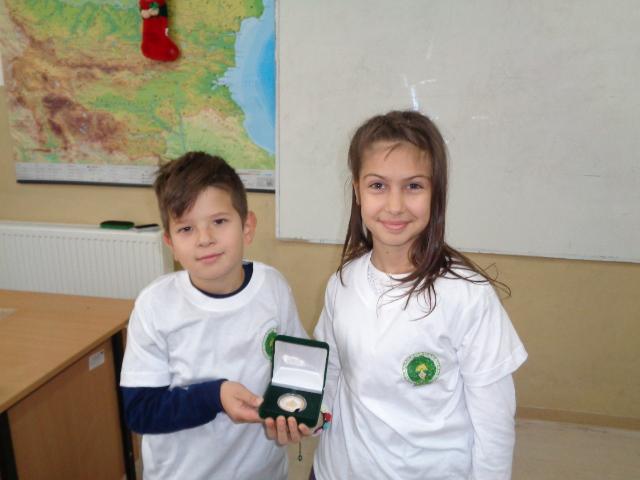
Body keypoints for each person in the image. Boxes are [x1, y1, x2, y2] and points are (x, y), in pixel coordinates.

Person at [312, 111, 528, 479]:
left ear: (435, 192)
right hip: (336, 470)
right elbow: (330, 368)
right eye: (377, 185)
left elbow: (493, 424)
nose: (395, 205)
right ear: (357, 191)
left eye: (413, 186)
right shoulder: (343, 283)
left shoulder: (468, 295)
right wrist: (313, 413)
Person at [120, 151, 308, 479]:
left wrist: (297, 413)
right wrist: (215, 397)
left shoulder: (273, 287)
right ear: (170, 243)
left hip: (262, 472)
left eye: (219, 222)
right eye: (186, 228)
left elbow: (297, 366)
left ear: (247, 226)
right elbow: (140, 412)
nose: (205, 239)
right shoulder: (155, 306)